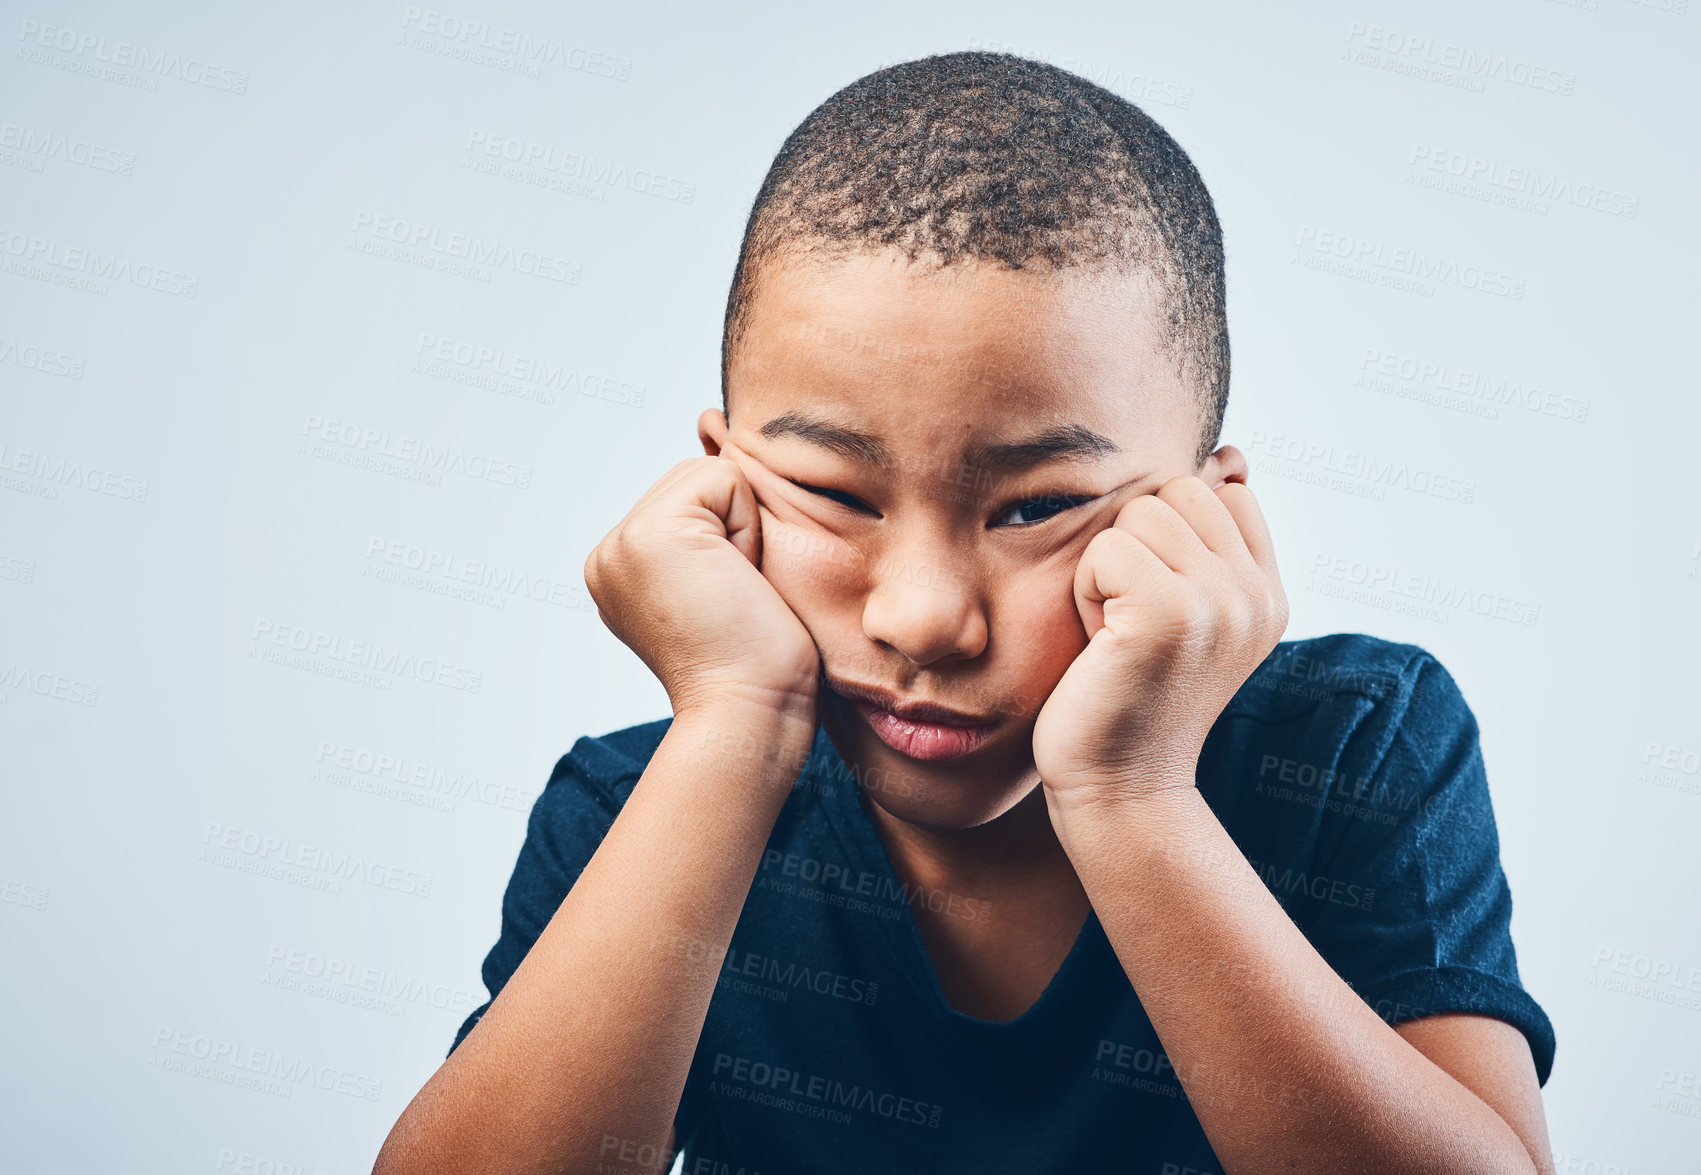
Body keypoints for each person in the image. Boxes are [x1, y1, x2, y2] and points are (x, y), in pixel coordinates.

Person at [374, 51, 1556, 1175]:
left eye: (1037, 505)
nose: (926, 616)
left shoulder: (1347, 745)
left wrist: (1131, 792)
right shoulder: (637, 810)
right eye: (835, 494)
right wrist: (734, 724)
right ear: (719, 487)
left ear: (1213, 517)